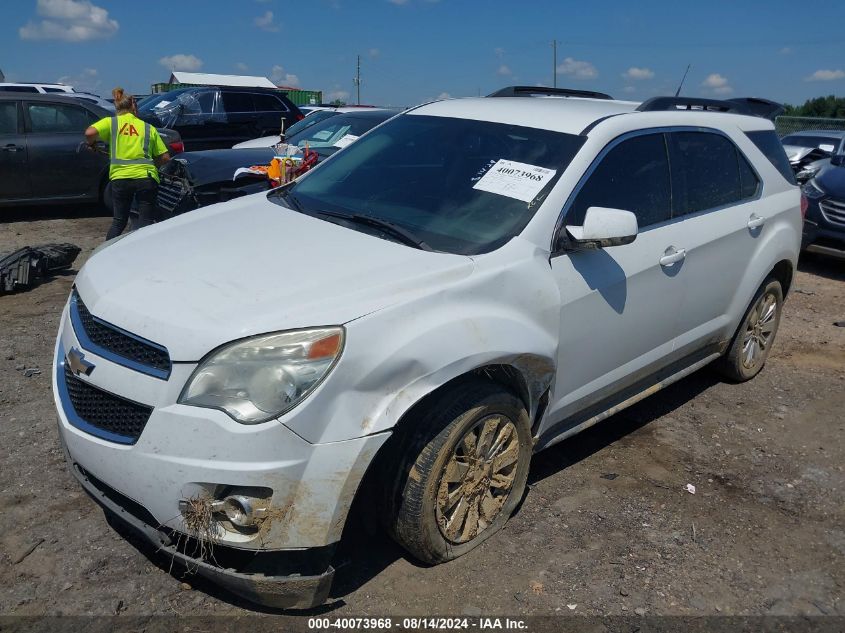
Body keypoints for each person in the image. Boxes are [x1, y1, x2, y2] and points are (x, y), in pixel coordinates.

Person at [84, 87, 170, 240]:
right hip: (146, 177)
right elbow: (164, 158)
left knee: (119, 221)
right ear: (134, 106)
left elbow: (89, 133)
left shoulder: (111, 123)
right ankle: (143, 254)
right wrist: (153, 164)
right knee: (145, 222)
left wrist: (91, 144)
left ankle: (107, 255)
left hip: (120, 178)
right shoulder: (148, 128)